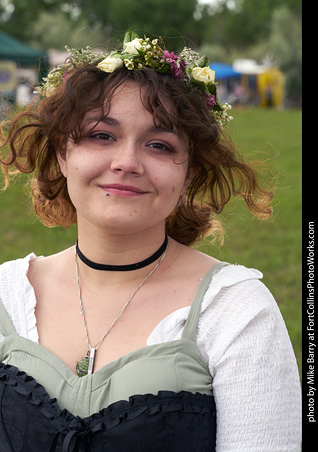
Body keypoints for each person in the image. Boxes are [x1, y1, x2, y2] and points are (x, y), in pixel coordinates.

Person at [0, 30, 301, 451]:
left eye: (159, 145)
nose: (126, 162)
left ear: (189, 172)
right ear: (63, 155)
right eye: (101, 135)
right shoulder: (7, 295)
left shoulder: (236, 313)